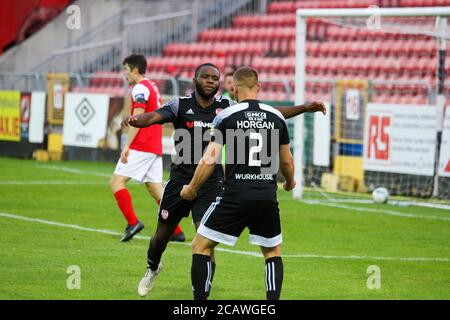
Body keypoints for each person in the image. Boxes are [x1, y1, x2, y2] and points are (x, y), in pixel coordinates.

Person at [121, 63, 326, 297]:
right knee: (161, 237)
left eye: (214, 78)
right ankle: (153, 267)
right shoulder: (180, 104)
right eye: (205, 77)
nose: (210, 81)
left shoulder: (227, 107)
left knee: (204, 242)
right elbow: (154, 116)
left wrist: (303, 108)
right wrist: (136, 120)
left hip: (211, 183)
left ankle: (201, 292)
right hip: (180, 181)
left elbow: (266, 112)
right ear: (195, 80)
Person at [180, 66, 296, 300]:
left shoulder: (226, 116)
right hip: (266, 195)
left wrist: (192, 188)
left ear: (234, 88)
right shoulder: (276, 116)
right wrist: (290, 182)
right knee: (272, 251)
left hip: (234, 195)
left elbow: (210, 158)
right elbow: (287, 161)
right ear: (259, 87)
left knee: (200, 246)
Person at [109, 54, 185, 242]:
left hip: (142, 144)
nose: (124, 74)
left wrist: (127, 145)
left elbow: (137, 117)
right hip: (154, 144)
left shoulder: (139, 88)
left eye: (126, 70)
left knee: (116, 183)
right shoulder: (151, 85)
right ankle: (176, 231)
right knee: (155, 189)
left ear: (135, 70)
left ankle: (132, 222)